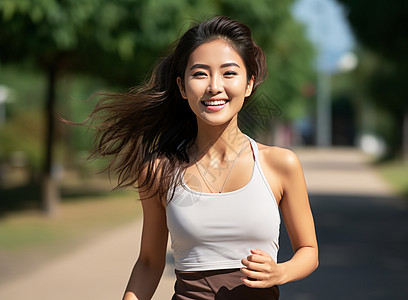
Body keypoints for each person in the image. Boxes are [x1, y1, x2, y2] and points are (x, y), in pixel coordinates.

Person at [87, 16, 318, 300]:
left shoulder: (280, 165)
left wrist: (279, 272)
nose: (214, 86)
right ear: (182, 87)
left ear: (249, 84)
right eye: (200, 74)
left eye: (229, 73)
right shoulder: (159, 172)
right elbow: (149, 262)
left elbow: (309, 251)